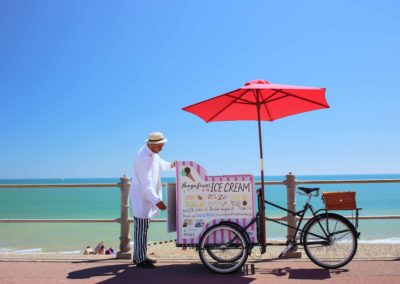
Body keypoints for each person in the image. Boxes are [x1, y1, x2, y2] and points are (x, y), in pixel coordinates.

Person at [130, 131, 175, 269]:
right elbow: (146, 184)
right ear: (152, 144)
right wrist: (157, 201)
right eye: (160, 146)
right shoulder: (143, 157)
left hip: (147, 197)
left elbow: (162, 165)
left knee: (143, 229)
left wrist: (172, 165)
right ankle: (140, 259)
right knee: (141, 229)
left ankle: (141, 255)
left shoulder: (153, 153)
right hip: (143, 197)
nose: (162, 148)